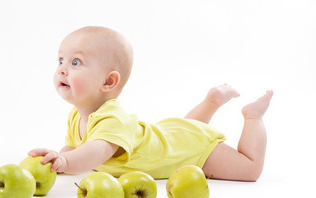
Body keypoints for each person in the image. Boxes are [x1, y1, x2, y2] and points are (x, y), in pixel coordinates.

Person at [28, 26, 273, 182]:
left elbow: (98, 150)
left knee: (249, 169)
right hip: (170, 138)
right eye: (61, 60)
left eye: (76, 63)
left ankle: (253, 117)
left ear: (108, 81)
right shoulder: (76, 116)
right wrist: (57, 159)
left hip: (191, 151)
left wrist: (67, 163)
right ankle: (211, 102)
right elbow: (74, 147)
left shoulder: (112, 118)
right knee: (185, 131)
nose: (62, 69)